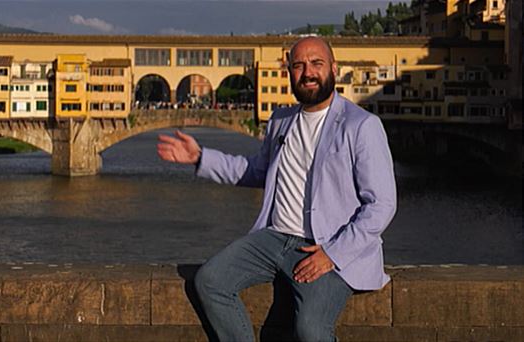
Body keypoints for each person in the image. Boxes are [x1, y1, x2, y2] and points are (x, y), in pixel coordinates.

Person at [156, 37, 396, 342]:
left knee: (310, 330)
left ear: (333, 69)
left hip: (327, 245)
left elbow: (382, 204)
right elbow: (257, 171)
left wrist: (332, 254)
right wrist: (201, 157)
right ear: (290, 74)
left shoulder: (361, 125)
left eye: (316, 63)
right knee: (210, 281)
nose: (308, 72)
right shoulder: (281, 121)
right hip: (274, 237)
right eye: (298, 65)